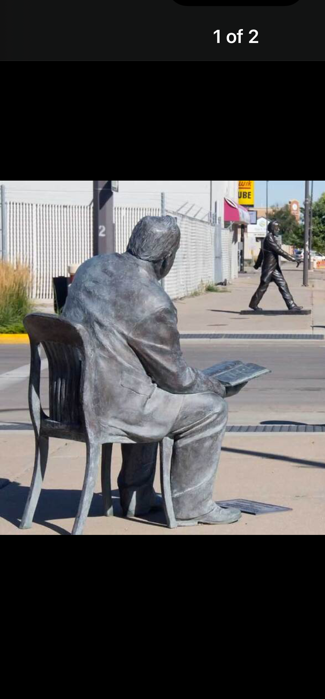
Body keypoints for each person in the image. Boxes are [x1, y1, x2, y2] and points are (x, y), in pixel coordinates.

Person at [62, 216, 243, 526]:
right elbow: (178, 379)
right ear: (166, 259)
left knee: (148, 390)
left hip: (70, 401)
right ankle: (191, 506)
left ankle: (137, 497)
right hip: (111, 406)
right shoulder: (153, 301)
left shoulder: (92, 267)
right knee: (211, 409)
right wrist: (216, 385)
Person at [249, 221, 303, 312]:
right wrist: (292, 259)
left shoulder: (269, 238)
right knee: (263, 287)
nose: (278, 230)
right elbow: (279, 251)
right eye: (276, 228)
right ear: (272, 228)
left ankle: (291, 305)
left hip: (273, 268)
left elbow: (262, 253)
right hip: (269, 269)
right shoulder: (269, 238)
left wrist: (257, 265)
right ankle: (253, 304)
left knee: (282, 285)